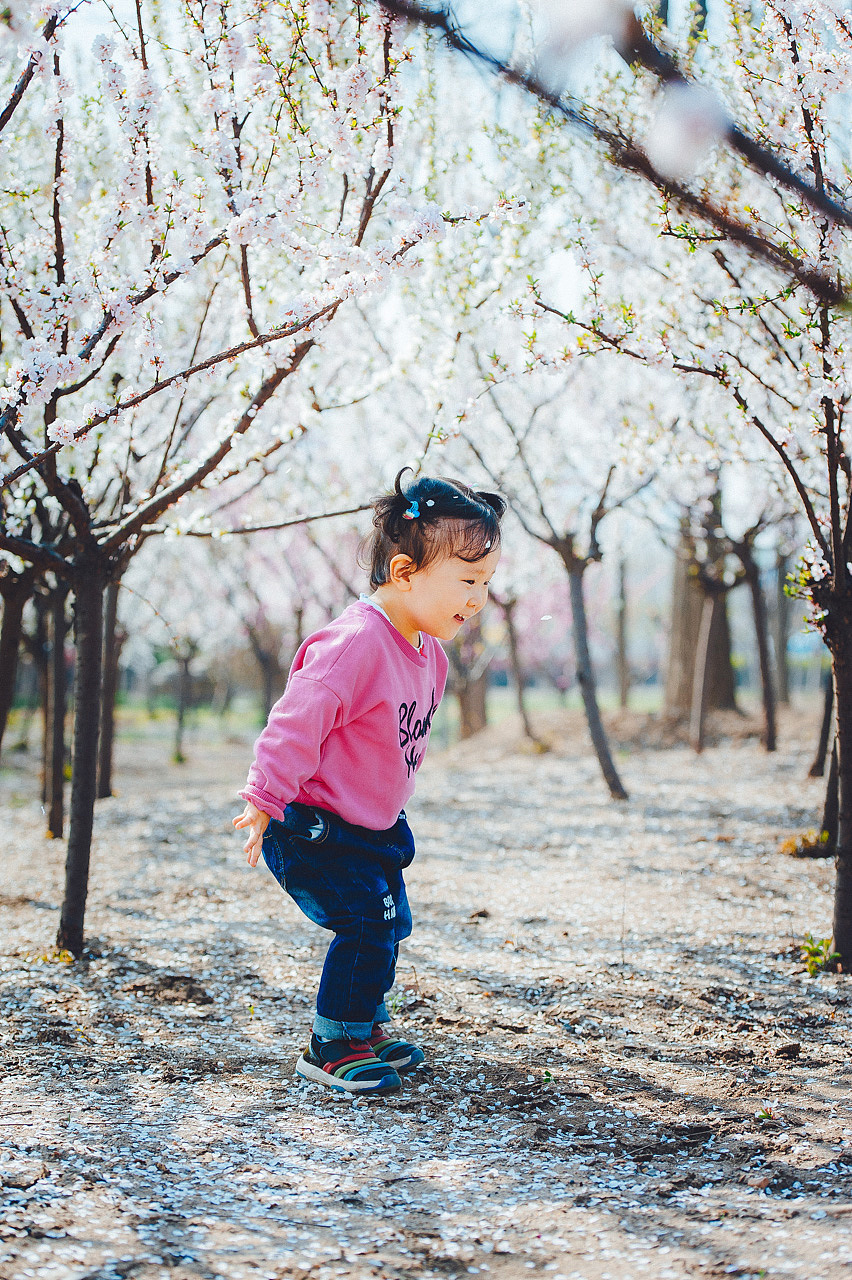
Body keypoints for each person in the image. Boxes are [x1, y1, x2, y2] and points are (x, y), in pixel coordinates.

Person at [233, 468, 505, 1096]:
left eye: (485, 582)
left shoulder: (428, 654)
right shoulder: (356, 643)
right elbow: (297, 719)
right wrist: (264, 798)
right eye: (466, 580)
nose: (477, 598)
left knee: (389, 921)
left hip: (373, 828)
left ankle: (363, 1027)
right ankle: (330, 1043)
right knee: (364, 922)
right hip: (313, 826)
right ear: (405, 572)